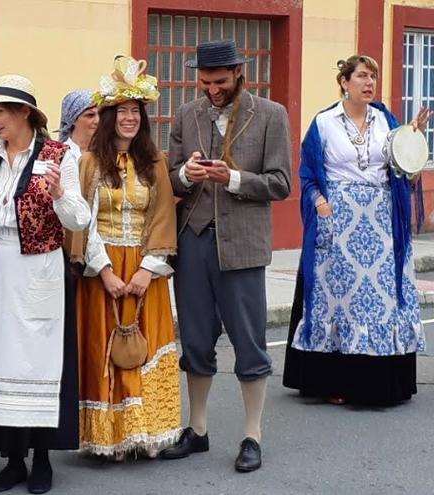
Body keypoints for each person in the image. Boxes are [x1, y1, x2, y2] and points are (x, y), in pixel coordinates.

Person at [161, 39, 292, 473]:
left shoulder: (271, 115)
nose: (212, 90)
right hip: (193, 241)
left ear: (238, 72)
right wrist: (185, 174)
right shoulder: (186, 114)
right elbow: (170, 180)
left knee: (249, 342)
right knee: (196, 339)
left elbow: (280, 183)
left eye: (219, 82)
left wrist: (233, 178)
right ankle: (197, 430)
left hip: (243, 244)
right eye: (204, 83)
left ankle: (252, 435)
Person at [283, 55, 431, 407]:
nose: (369, 83)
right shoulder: (324, 123)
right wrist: (320, 202)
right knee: (342, 300)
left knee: (379, 301)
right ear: (344, 82)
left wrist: (413, 143)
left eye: (373, 77)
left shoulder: (387, 121)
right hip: (339, 220)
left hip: (380, 222)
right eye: (362, 76)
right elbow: (307, 173)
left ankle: (378, 383)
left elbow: (403, 171)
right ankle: (335, 380)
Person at [0, 74, 91, 494]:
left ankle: (41, 458)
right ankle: (13, 458)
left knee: (37, 362)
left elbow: (79, 219)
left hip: (38, 266)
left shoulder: (59, 155)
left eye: (0, 111)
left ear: (24, 113)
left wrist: (59, 194)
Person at [70, 57, 181, 460]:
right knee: (106, 348)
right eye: (122, 112)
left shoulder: (155, 163)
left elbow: (164, 215)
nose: (130, 118)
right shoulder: (89, 163)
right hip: (105, 267)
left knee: (144, 349)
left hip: (145, 268)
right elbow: (84, 221)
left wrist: (148, 271)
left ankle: (146, 431)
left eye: (136, 111)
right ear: (108, 117)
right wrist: (104, 272)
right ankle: (111, 439)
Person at [58, 89, 100, 160]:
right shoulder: (56, 154)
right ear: (73, 119)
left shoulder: (109, 154)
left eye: (101, 114)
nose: (98, 121)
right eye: (90, 115)